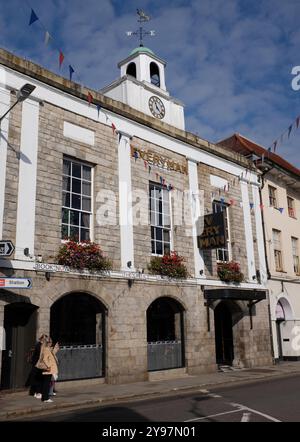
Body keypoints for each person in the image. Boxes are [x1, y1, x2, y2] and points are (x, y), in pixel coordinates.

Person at [36, 337, 59, 403]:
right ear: (48, 343)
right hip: (48, 370)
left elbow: (52, 355)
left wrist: (56, 348)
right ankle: (45, 398)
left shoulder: (48, 349)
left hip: (49, 370)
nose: (51, 343)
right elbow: (45, 359)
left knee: (47, 384)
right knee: (46, 384)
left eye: (52, 342)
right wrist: (48, 366)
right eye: (50, 342)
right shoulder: (46, 349)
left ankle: (44, 398)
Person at [27, 334, 48, 399]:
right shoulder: (39, 345)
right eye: (45, 339)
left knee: (38, 378)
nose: (46, 340)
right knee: (38, 379)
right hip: (37, 365)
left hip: (39, 365)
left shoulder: (42, 345)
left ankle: (34, 392)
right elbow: (40, 355)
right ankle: (37, 392)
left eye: (46, 339)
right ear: (41, 339)